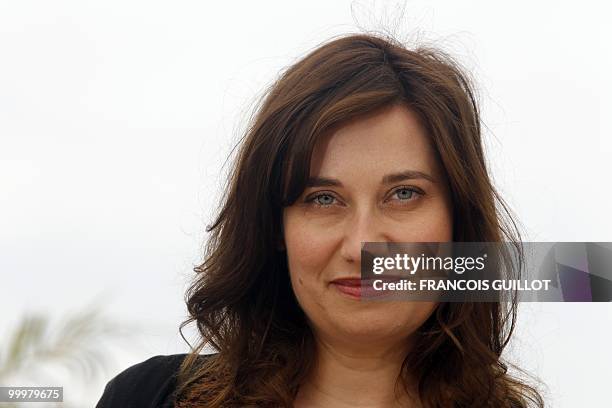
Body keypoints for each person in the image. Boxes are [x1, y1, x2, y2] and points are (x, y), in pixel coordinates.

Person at [96, 32, 544, 407]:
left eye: (403, 194)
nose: (361, 246)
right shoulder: (149, 398)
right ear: (275, 226)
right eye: (324, 199)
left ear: (459, 223)